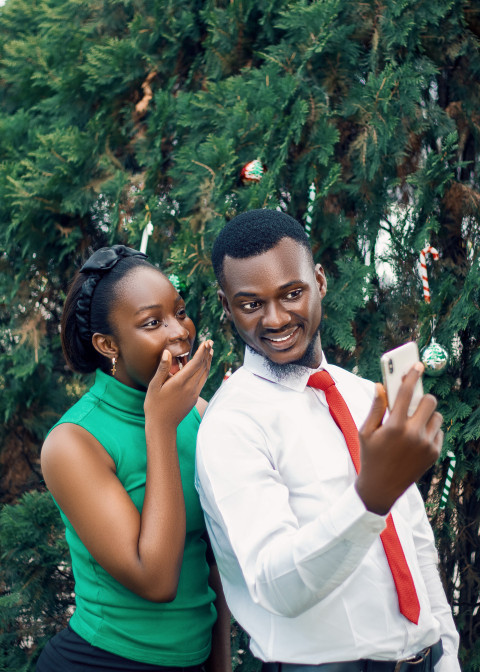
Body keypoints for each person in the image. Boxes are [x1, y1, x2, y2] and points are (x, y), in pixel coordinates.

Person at [195, 210, 461, 672]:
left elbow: (414, 538)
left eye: (292, 293)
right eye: (251, 304)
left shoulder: (363, 394)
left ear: (319, 280)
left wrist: (446, 650)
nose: (275, 319)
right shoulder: (231, 424)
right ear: (226, 304)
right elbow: (277, 585)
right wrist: (369, 499)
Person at [37, 245, 231, 672]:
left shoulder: (197, 412)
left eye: (179, 312)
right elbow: (156, 579)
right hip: (106, 662)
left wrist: (219, 665)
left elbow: (210, 558)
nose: (180, 331)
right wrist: (159, 427)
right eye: (152, 322)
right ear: (108, 345)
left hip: (194, 661)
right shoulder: (73, 442)